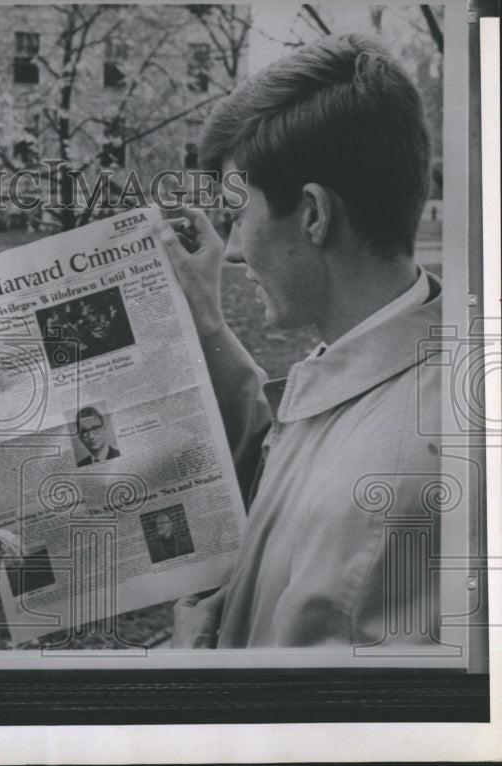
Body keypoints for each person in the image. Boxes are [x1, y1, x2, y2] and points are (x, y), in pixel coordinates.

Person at [163, 35, 442, 648]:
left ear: (313, 214)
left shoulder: (375, 498)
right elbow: (289, 456)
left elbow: (295, 732)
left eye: (240, 217)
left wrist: (188, 670)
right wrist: (206, 323)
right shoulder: (396, 360)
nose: (233, 251)